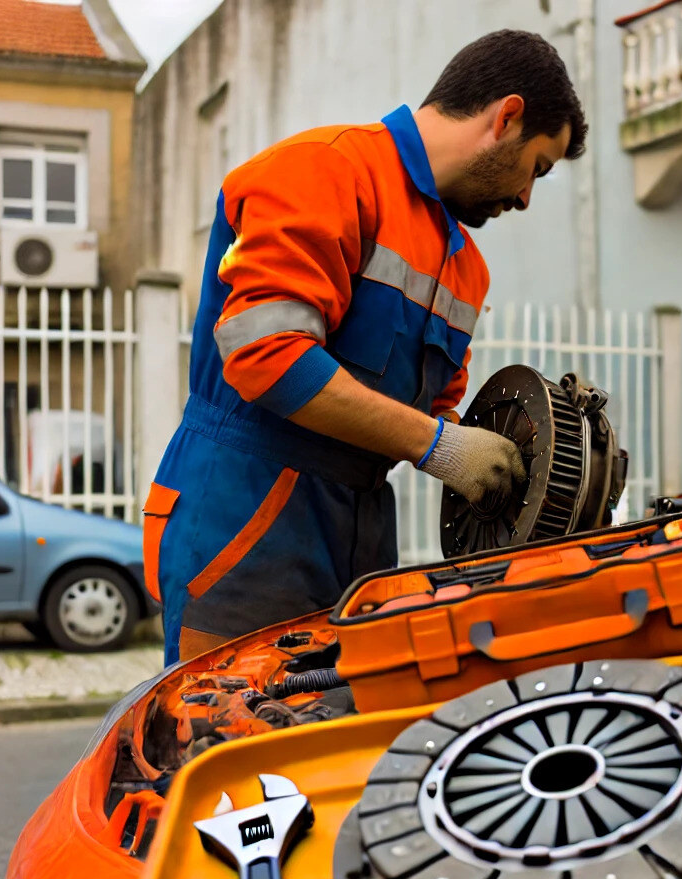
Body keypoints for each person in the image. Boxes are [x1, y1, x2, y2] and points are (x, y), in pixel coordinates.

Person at [143, 29, 589, 664]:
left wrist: (495, 455)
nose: (525, 196)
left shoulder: (466, 268)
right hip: (244, 518)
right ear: (506, 117)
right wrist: (437, 445)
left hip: (363, 540)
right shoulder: (322, 171)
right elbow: (267, 358)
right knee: (225, 740)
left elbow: (433, 412)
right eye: (536, 168)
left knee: (335, 744)